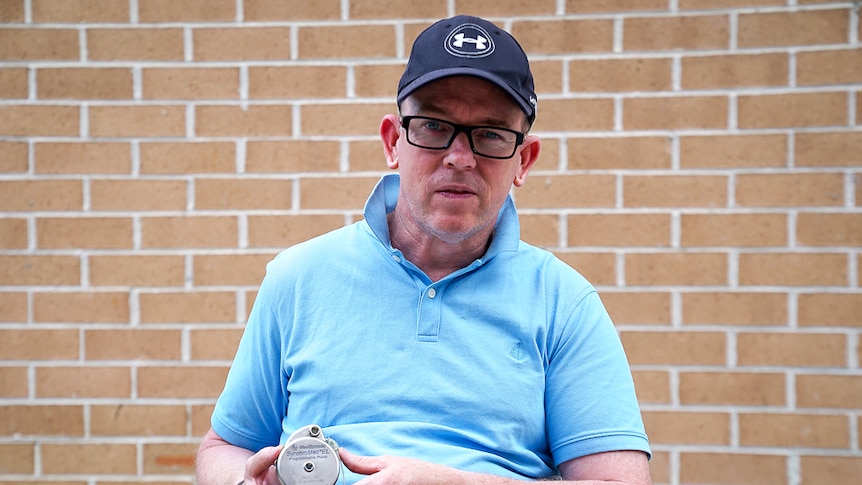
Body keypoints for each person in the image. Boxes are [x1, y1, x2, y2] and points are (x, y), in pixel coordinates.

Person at [195, 15, 651, 485]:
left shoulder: (564, 303)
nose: (460, 157)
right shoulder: (297, 277)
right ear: (394, 141)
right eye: (434, 126)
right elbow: (224, 447)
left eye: (491, 134)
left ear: (523, 161)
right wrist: (242, 480)